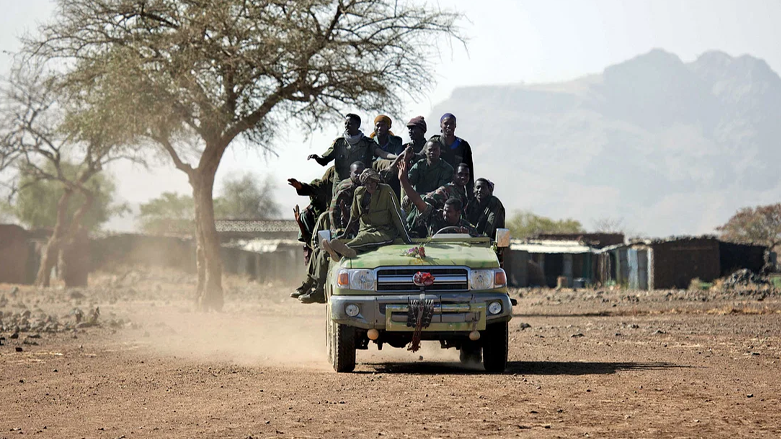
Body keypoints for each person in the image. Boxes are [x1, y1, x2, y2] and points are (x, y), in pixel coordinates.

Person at [321, 169, 410, 261]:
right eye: (367, 183)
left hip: (385, 232)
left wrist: (407, 240)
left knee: (365, 238)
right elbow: (353, 217)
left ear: (377, 182)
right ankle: (344, 253)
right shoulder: (358, 193)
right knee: (361, 242)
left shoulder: (386, 191)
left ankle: (341, 249)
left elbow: (397, 217)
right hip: (364, 231)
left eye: (372, 182)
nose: (370, 185)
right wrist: (345, 234)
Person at [308, 114, 400, 195]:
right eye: (346, 123)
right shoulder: (339, 143)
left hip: (360, 186)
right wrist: (317, 158)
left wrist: (399, 157)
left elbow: (383, 154)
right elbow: (324, 161)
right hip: (340, 187)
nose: (347, 126)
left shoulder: (367, 143)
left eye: (350, 124)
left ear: (357, 126)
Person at [398, 160, 476, 236]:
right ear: (454, 175)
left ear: (458, 212)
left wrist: (467, 236)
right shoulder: (436, 215)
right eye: (460, 174)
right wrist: (403, 180)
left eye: (466, 175)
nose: (463, 177)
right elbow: (419, 202)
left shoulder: (466, 227)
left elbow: (479, 239)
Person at [429, 113, 475, 194]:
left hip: (456, 190)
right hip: (434, 189)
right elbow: (422, 157)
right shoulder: (435, 142)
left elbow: (469, 173)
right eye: (446, 123)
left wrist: (470, 195)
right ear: (441, 125)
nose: (449, 126)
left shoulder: (463, 146)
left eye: (451, 123)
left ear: (455, 125)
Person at [329, 161, 366, 232]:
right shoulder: (346, 188)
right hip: (345, 224)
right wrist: (337, 230)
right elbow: (333, 210)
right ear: (350, 174)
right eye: (356, 172)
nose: (359, 175)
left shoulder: (366, 184)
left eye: (361, 173)